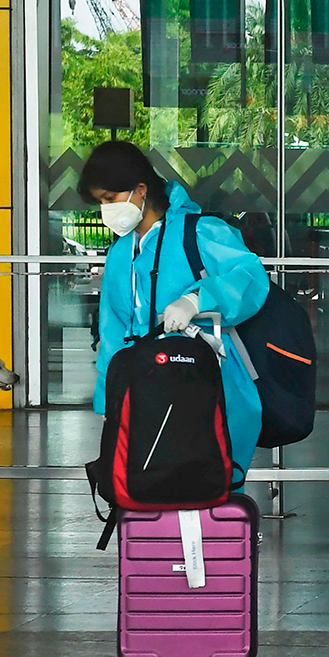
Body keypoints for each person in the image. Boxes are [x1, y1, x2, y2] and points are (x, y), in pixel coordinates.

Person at [82, 141, 270, 478]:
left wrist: (197, 299)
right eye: (100, 201)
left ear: (140, 189)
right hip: (143, 391)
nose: (105, 209)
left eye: (109, 199)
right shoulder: (120, 254)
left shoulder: (199, 233)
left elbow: (250, 277)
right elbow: (113, 332)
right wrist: (108, 402)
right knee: (148, 488)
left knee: (211, 485)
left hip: (207, 385)